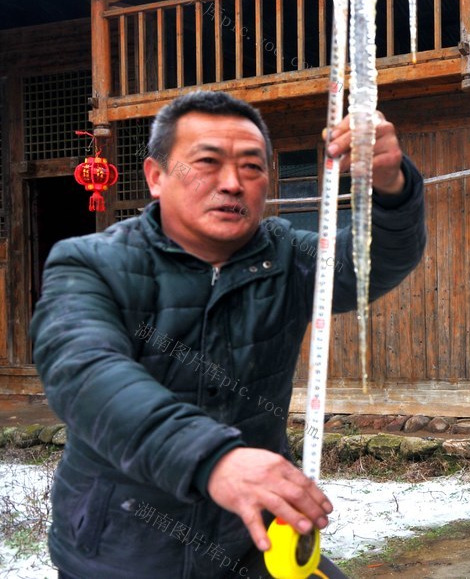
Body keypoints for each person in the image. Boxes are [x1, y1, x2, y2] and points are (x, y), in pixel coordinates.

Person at [30, 90, 427, 578]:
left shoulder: (286, 257)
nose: (232, 184)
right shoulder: (91, 262)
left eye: (252, 167)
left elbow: (371, 264)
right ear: (156, 177)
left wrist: (391, 184)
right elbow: (86, 373)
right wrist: (212, 459)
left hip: (252, 541)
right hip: (120, 548)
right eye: (207, 163)